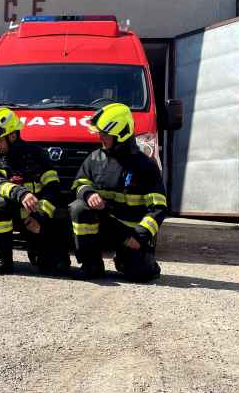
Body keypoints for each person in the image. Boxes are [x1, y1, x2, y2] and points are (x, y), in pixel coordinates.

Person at [69, 103, 167, 282]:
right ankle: (91, 264)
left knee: (141, 274)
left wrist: (140, 235)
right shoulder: (95, 158)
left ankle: (129, 260)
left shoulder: (145, 166)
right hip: (104, 227)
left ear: (120, 134)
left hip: (130, 234)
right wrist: (89, 194)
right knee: (78, 208)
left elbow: (158, 208)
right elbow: (79, 183)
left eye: (104, 134)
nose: (100, 137)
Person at [0, 107, 70, 275]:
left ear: (13, 136)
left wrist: (40, 216)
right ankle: (3, 259)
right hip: (11, 211)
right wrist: (20, 193)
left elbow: (53, 187)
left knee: (51, 267)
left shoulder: (37, 154)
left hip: (36, 213)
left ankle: (40, 250)